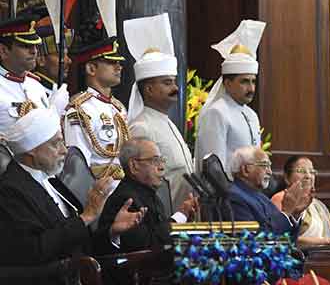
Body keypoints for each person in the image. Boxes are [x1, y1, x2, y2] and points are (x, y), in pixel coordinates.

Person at [0, 108, 144, 285]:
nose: (64, 151)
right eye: (56, 144)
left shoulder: (51, 181)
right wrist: (86, 216)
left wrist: (111, 232)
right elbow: (35, 250)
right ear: (32, 150)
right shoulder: (10, 190)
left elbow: (77, 242)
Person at [124, 14, 194, 208]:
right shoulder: (141, 127)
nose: (175, 88)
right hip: (165, 219)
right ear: (149, 89)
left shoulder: (167, 122)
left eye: (174, 81)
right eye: (167, 83)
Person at [96, 137, 199, 255]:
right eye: (155, 161)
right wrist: (181, 215)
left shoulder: (148, 193)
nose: (161, 167)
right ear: (134, 166)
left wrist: (186, 222)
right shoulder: (126, 199)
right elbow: (149, 245)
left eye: (161, 160)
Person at [195, 20, 266, 176]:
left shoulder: (251, 115)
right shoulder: (217, 113)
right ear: (227, 83)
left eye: (253, 81)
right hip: (229, 196)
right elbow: (214, 168)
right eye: (244, 82)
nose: (251, 88)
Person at [63, 37, 129, 182]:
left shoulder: (118, 108)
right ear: (91, 68)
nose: (119, 67)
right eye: (111, 62)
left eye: (119, 63)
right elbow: (78, 164)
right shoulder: (80, 110)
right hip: (97, 190)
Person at [227, 146, 310, 237]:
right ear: (246, 170)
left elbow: (288, 240)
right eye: (264, 166)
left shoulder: (259, 195)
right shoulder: (235, 198)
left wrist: (294, 215)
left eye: (269, 166)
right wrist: (286, 212)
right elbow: (255, 242)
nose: (270, 172)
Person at [271, 156, 330, 247]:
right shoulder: (281, 199)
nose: (308, 176)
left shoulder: (318, 205)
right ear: (286, 178)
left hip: (323, 257)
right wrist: (329, 241)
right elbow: (284, 238)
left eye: (312, 172)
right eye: (301, 171)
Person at [0, 12, 50, 131]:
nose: (34, 51)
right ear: (3, 51)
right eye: (25, 46)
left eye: (35, 46)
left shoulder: (36, 86)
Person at [33, 12, 74, 96]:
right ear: (40, 59)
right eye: (61, 55)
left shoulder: (60, 91)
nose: (69, 61)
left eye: (67, 54)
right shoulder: (32, 92)